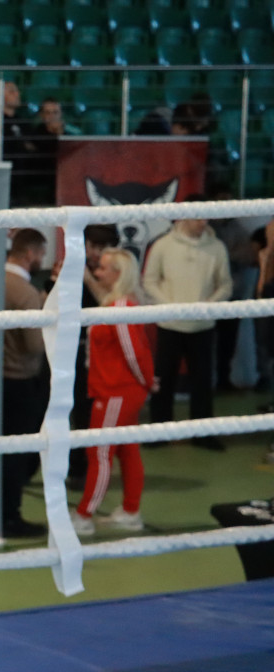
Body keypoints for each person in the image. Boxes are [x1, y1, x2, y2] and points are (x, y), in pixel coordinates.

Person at [70, 248, 154, 537]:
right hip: (118, 389)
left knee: (100, 452)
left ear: (118, 274)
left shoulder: (119, 307)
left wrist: (147, 381)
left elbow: (135, 353)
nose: (97, 273)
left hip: (117, 391)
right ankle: (131, 510)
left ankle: (84, 516)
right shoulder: (116, 304)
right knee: (128, 451)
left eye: (103, 268)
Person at [143, 194, 233, 451]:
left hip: (202, 327)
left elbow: (225, 285)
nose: (202, 221)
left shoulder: (217, 248)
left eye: (205, 215)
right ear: (184, 214)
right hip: (170, 326)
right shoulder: (163, 246)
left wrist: (207, 308)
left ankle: (202, 433)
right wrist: (169, 307)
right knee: (164, 379)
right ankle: (159, 431)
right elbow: (149, 281)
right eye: (197, 215)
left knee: (203, 381)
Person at [46, 224, 120, 487]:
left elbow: (113, 304)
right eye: (94, 247)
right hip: (71, 348)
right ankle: (74, 468)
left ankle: (88, 470)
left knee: (90, 413)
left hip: (100, 352)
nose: (97, 253)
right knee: (67, 409)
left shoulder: (116, 273)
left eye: (103, 248)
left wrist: (90, 279)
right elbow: (51, 300)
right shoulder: (70, 266)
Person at [2, 228, 49, 538]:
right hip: (20, 380)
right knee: (18, 455)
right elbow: (34, 346)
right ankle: (11, 517)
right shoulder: (25, 293)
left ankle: (2, 513)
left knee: (3, 451)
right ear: (30, 253)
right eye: (41, 254)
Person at [0, 82, 41, 208]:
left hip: (23, 180)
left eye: (17, 91)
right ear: (0, 96)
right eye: (12, 91)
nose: (17, 94)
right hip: (1, 181)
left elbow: (32, 145)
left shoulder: (22, 121)